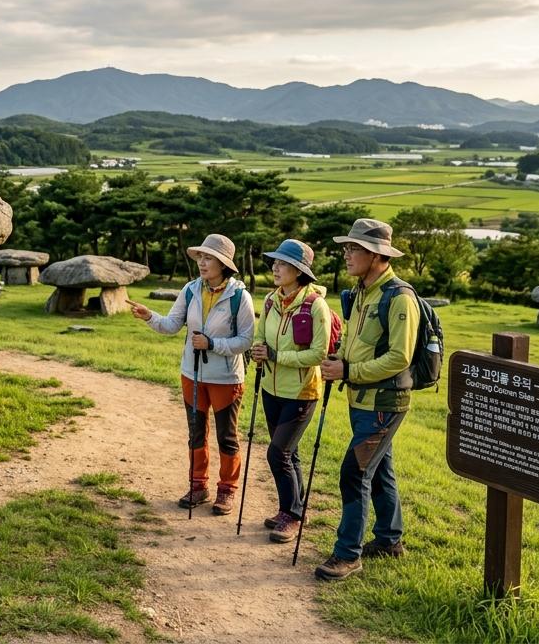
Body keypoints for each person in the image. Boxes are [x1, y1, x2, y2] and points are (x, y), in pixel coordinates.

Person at [315, 218, 418, 581]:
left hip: (384, 403)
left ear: (376, 255)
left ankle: (347, 555)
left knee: (355, 472)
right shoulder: (362, 291)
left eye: (354, 248)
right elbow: (353, 339)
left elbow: (400, 357)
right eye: (347, 247)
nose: (347, 254)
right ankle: (390, 540)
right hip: (362, 400)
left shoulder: (399, 297)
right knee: (379, 471)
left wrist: (349, 370)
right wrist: (338, 358)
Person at [130, 234, 255, 515]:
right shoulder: (190, 290)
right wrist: (149, 316)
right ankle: (198, 485)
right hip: (192, 374)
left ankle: (227, 489)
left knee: (227, 437)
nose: (202, 262)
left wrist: (212, 344)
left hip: (226, 379)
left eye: (208, 258)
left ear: (223, 264)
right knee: (196, 433)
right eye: (200, 257)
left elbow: (246, 340)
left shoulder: (240, 297)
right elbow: (172, 325)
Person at [249, 239, 331, 543]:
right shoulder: (271, 300)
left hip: (301, 392)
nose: (275, 267)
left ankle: (291, 514)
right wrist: (258, 351)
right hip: (271, 388)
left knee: (277, 453)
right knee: (289, 452)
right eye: (275, 262)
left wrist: (275, 356)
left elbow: (318, 354)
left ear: (298, 271)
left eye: (282, 263)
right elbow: (260, 336)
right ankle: (295, 508)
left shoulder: (315, 305)